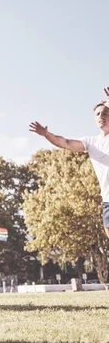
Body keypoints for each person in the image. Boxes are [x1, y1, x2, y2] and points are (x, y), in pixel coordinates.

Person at [29, 86, 109, 239]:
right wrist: (46, 134)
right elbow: (65, 142)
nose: (101, 116)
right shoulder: (91, 142)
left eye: (105, 113)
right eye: (98, 114)